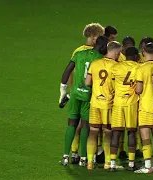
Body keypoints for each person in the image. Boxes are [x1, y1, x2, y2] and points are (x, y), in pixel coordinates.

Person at [58, 36, 108, 166]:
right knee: (86, 125)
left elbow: (67, 70)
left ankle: (65, 157)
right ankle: (83, 158)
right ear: (103, 47)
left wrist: (63, 91)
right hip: (88, 95)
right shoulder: (100, 60)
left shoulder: (79, 53)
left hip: (75, 93)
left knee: (71, 124)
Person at [68, 23, 105, 164]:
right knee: (89, 125)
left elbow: (72, 71)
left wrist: (73, 90)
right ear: (94, 37)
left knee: (76, 124)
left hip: (77, 92)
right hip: (91, 94)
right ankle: (90, 154)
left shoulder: (78, 51)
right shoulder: (99, 54)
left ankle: (74, 153)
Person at [85, 41, 122, 170]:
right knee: (108, 134)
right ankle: (107, 163)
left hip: (95, 103)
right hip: (108, 104)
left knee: (93, 132)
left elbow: (87, 82)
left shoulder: (95, 64)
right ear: (117, 52)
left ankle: (90, 162)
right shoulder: (117, 67)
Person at [134, 43, 153, 174]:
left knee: (145, 135)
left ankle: (148, 166)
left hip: (146, 106)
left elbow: (139, 89)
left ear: (143, 52)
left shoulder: (141, 68)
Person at [109, 47, 140, 171]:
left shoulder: (116, 67)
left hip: (118, 103)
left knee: (116, 132)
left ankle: (112, 164)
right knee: (131, 132)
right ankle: (131, 164)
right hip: (131, 103)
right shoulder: (139, 68)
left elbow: (112, 85)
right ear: (136, 56)